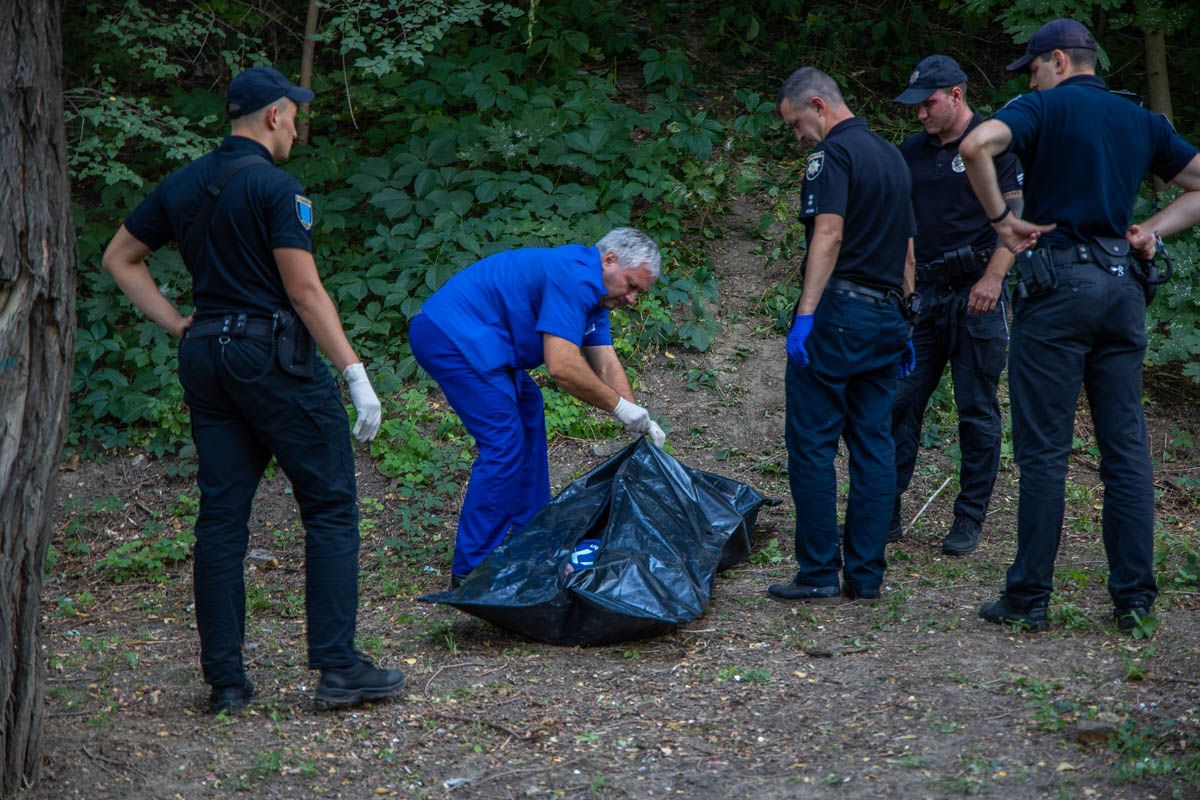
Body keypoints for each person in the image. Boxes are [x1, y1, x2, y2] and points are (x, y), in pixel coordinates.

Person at [102, 66, 405, 713]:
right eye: (293, 114)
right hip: (269, 358)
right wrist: (355, 373)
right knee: (328, 506)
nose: (297, 125)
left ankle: (227, 684)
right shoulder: (275, 186)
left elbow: (120, 257)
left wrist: (179, 322)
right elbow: (302, 288)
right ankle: (337, 667)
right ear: (272, 116)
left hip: (205, 357)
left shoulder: (182, 184)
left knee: (221, 521)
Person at [960, 19, 1200, 631]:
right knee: (1125, 451)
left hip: (1059, 290)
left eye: (1034, 67)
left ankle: (1029, 599)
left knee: (1044, 452)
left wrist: (1000, 222)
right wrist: (1150, 230)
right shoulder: (1141, 119)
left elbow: (976, 145)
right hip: (1122, 289)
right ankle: (1134, 601)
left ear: (1059, 61)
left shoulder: (1041, 108)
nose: (1032, 77)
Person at [408, 228, 667, 587]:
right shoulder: (574, 276)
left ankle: (536, 544)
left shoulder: (595, 294)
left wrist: (638, 419)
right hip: (449, 333)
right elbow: (562, 366)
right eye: (632, 285)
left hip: (487, 343)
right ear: (609, 260)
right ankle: (475, 570)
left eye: (640, 291)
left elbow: (605, 361)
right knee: (503, 439)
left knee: (528, 408)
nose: (634, 298)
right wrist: (620, 408)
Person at [766, 67, 917, 604]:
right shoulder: (894, 157)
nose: (799, 136)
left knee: (811, 443)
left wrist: (806, 314)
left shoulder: (831, 157)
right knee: (874, 444)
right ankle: (867, 577)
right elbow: (905, 248)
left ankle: (817, 574)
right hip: (886, 318)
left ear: (818, 105)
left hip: (839, 313)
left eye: (797, 124)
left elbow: (828, 234)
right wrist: (908, 315)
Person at [890, 55, 1023, 555]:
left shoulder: (994, 141)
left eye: (928, 104)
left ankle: (968, 519)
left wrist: (992, 278)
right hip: (924, 295)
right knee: (899, 404)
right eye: (916, 106)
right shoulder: (910, 154)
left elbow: (1016, 215)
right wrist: (906, 293)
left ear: (956, 95)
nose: (921, 114)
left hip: (978, 293)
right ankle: (886, 513)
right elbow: (902, 228)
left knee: (976, 410)